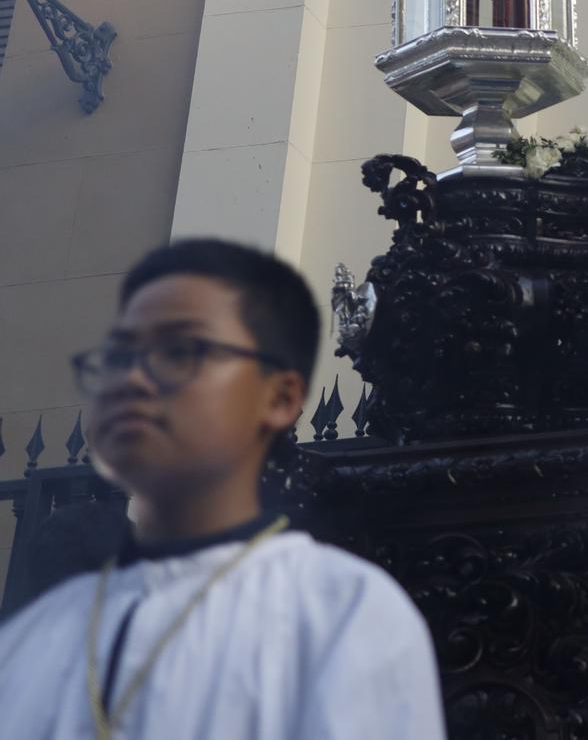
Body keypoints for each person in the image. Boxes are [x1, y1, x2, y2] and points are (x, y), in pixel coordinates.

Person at [0, 239, 446, 739]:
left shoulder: (341, 612)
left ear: (279, 398)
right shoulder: (31, 636)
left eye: (178, 352)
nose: (133, 381)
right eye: (118, 354)